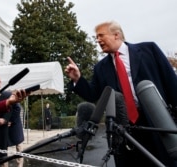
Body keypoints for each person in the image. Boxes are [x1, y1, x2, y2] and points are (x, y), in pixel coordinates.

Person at [65, 21, 177, 167]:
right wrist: (77, 79)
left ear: (116, 35)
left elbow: (171, 83)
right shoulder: (100, 67)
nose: (97, 40)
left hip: (156, 123)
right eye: (96, 37)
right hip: (123, 130)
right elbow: (93, 95)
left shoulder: (149, 50)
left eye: (101, 35)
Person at [8, 100, 24, 167]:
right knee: (6, 145)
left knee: (18, 144)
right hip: (7, 125)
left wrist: (11, 120)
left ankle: (20, 163)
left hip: (15, 125)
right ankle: (5, 163)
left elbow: (18, 108)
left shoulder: (13, 97)